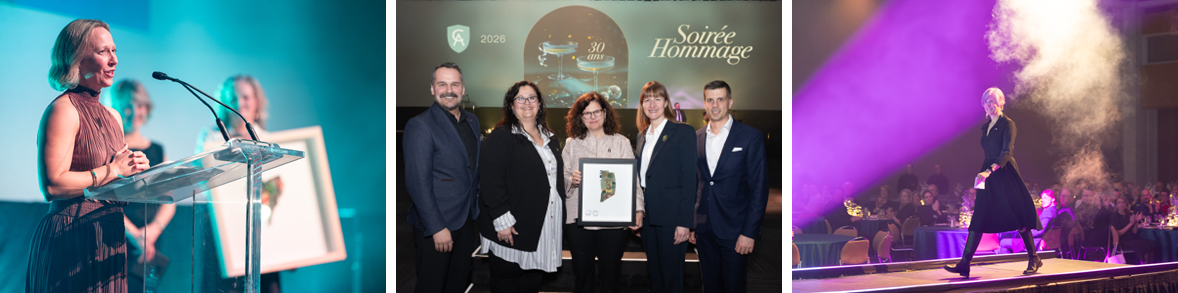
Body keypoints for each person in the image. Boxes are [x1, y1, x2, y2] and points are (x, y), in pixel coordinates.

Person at [27, 19, 152, 292]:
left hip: (109, 239)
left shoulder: (114, 117)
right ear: (77, 59)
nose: (114, 60)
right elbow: (52, 185)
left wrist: (136, 172)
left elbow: (116, 181)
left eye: (114, 51)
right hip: (71, 236)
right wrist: (113, 170)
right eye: (103, 51)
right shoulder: (63, 110)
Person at [195, 74, 282, 292]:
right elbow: (202, 179)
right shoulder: (211, 138)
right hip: (222, 232)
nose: (239, 103)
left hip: (263, 231)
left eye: (245, 97)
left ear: (257, 101)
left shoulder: (271, 141)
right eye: (232, 98)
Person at [944, 87, 1042, 278]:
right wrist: (985, 172)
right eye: (986, 102)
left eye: (992, 101)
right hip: (987, 173)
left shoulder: (1008, 124)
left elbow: (1007, 152)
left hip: (1004, 172)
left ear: (1000, 103)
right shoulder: (986, 126)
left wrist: (989, 171)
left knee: (1019, 216)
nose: (988, 105)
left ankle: (1034, 257)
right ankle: (964, 263)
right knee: (979, 216)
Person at [477, 81, 565, 292]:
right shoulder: (501, 136)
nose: (527, 103)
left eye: (532, 98)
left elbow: (551, 178)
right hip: (512, 227)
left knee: (532, 282)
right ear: (511, 105)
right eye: (520, 98)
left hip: (542, 227)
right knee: (507, 280)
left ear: (540, 104)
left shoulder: (550, 137)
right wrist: (502, 221)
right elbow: (490, 181)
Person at [403, 62, 482, 293]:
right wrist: (436, 227)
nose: (449, 90)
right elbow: (417, 183)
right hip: (437, 224)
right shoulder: (420, 125)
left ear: (463, 89)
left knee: (457, 284)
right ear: (432, 88)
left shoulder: (472, 121)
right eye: (442, 84)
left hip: (466, 221)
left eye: (454, 84)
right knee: (432, 286)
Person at [561, 92, 643, 293]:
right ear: (580, 117)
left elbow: (633, 180)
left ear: (605, 113)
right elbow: (561, 178)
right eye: (587, 113)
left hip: (613, 220)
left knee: (611, 274)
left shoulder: (621, 142)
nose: (592, 117)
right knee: (582, 274)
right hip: (578, 219)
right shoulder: (572, 143)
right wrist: (571, 181)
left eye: (596, 112)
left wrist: (638, 209)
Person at [691, 81, 768, 293]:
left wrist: (749, 233)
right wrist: (692, 224)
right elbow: (696, 184)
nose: (715, 105)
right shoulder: (696, 137)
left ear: (730, 102)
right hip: (704, 230)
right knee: (710, 286)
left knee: (734, 287)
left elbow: (759, 189)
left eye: (720, 99)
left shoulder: (750, 136)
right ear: (704, 104)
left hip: (735, 231)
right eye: (710, 100)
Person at [107, 79, 177, 292]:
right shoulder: (108, 149)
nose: (134, 112)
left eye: (140, 105)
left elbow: (169, 199)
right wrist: (135, 235)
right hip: (115, 239)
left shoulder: (157, 150)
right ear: (115, 109)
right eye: (127, 105)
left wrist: (152, 231)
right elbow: (105, 199)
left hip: (150, 242)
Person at [634, 81, 697, 293]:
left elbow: (690, 180)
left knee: (671, 277)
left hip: (672, 218)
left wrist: (684, 223)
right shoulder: (642, 136)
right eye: (647, 100)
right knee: (655, 273)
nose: (652, 104)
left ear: (666, 103)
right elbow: (641, 178)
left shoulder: (683, 132)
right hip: (648, 217)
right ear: (642, 105)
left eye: (657, 99)